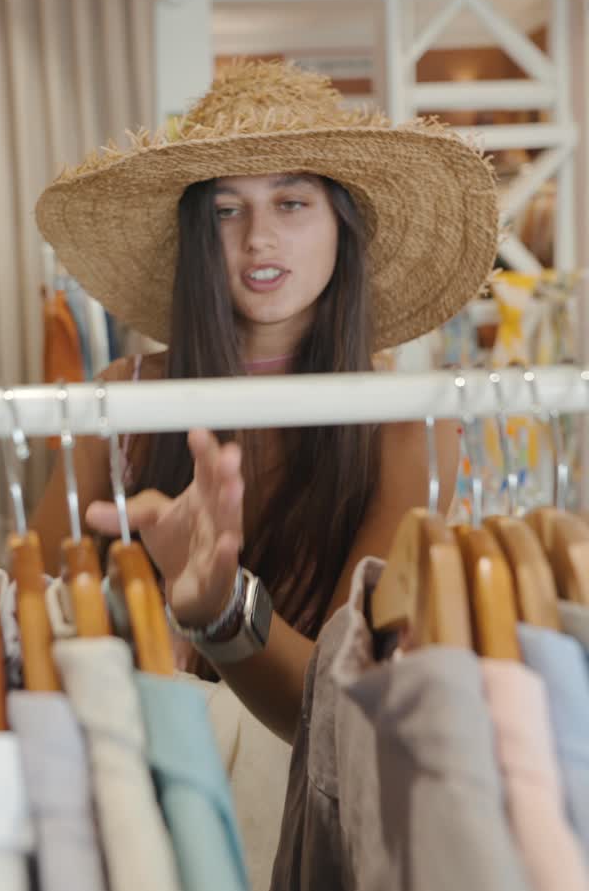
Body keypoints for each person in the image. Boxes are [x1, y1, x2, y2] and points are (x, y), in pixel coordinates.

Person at [34, 61, 498, 743]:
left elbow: (339, 710)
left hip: (309, 822)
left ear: (344, 223)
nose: (257, 238)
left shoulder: (406, 426)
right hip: (144, 787)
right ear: (198, 234)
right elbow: (28, 612)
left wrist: (219, 606)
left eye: (291, 202)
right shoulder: (127, 399)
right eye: (227, 210)